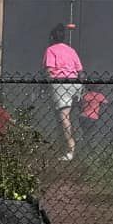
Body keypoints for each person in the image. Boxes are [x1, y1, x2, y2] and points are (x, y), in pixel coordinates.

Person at [44, 25, 83, 161]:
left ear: (52, 37)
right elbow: (80, 70)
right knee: (70, 116)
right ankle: (69, 144)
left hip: (61, 83)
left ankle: (70, 149)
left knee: (63, 117)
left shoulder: (50, 50)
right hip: (75, 83)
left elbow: (50, 70)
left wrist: (46, 86)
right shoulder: (71, 50)